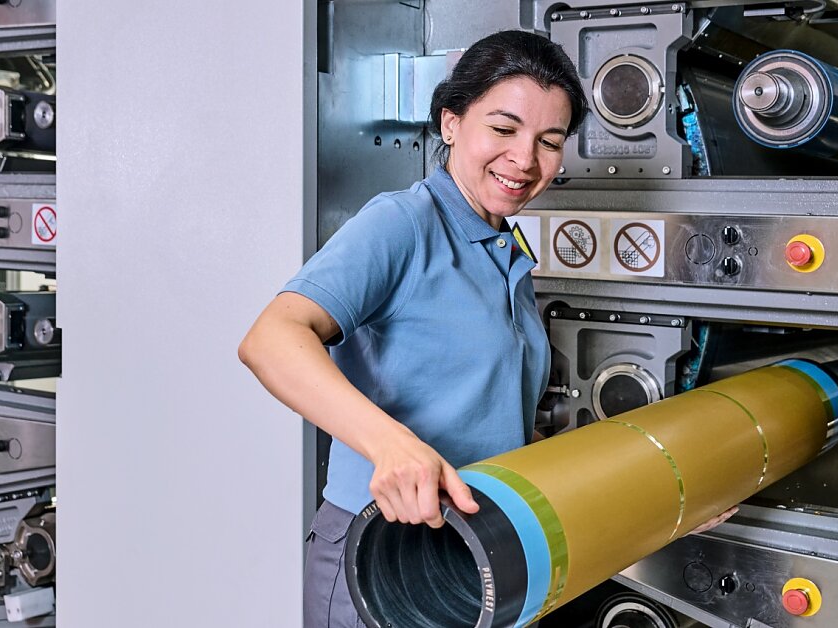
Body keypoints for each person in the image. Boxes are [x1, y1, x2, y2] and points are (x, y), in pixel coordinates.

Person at [239, 30, 734, 628]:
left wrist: (659, 487)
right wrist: (390, 445)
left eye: (549, 142)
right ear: (451, 123)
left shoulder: (504, 252)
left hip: (481, 549)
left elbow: (494, 429)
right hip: (383, 555)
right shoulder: (404, 223)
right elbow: (271, 339)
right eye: (503, 129)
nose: (524, 160)